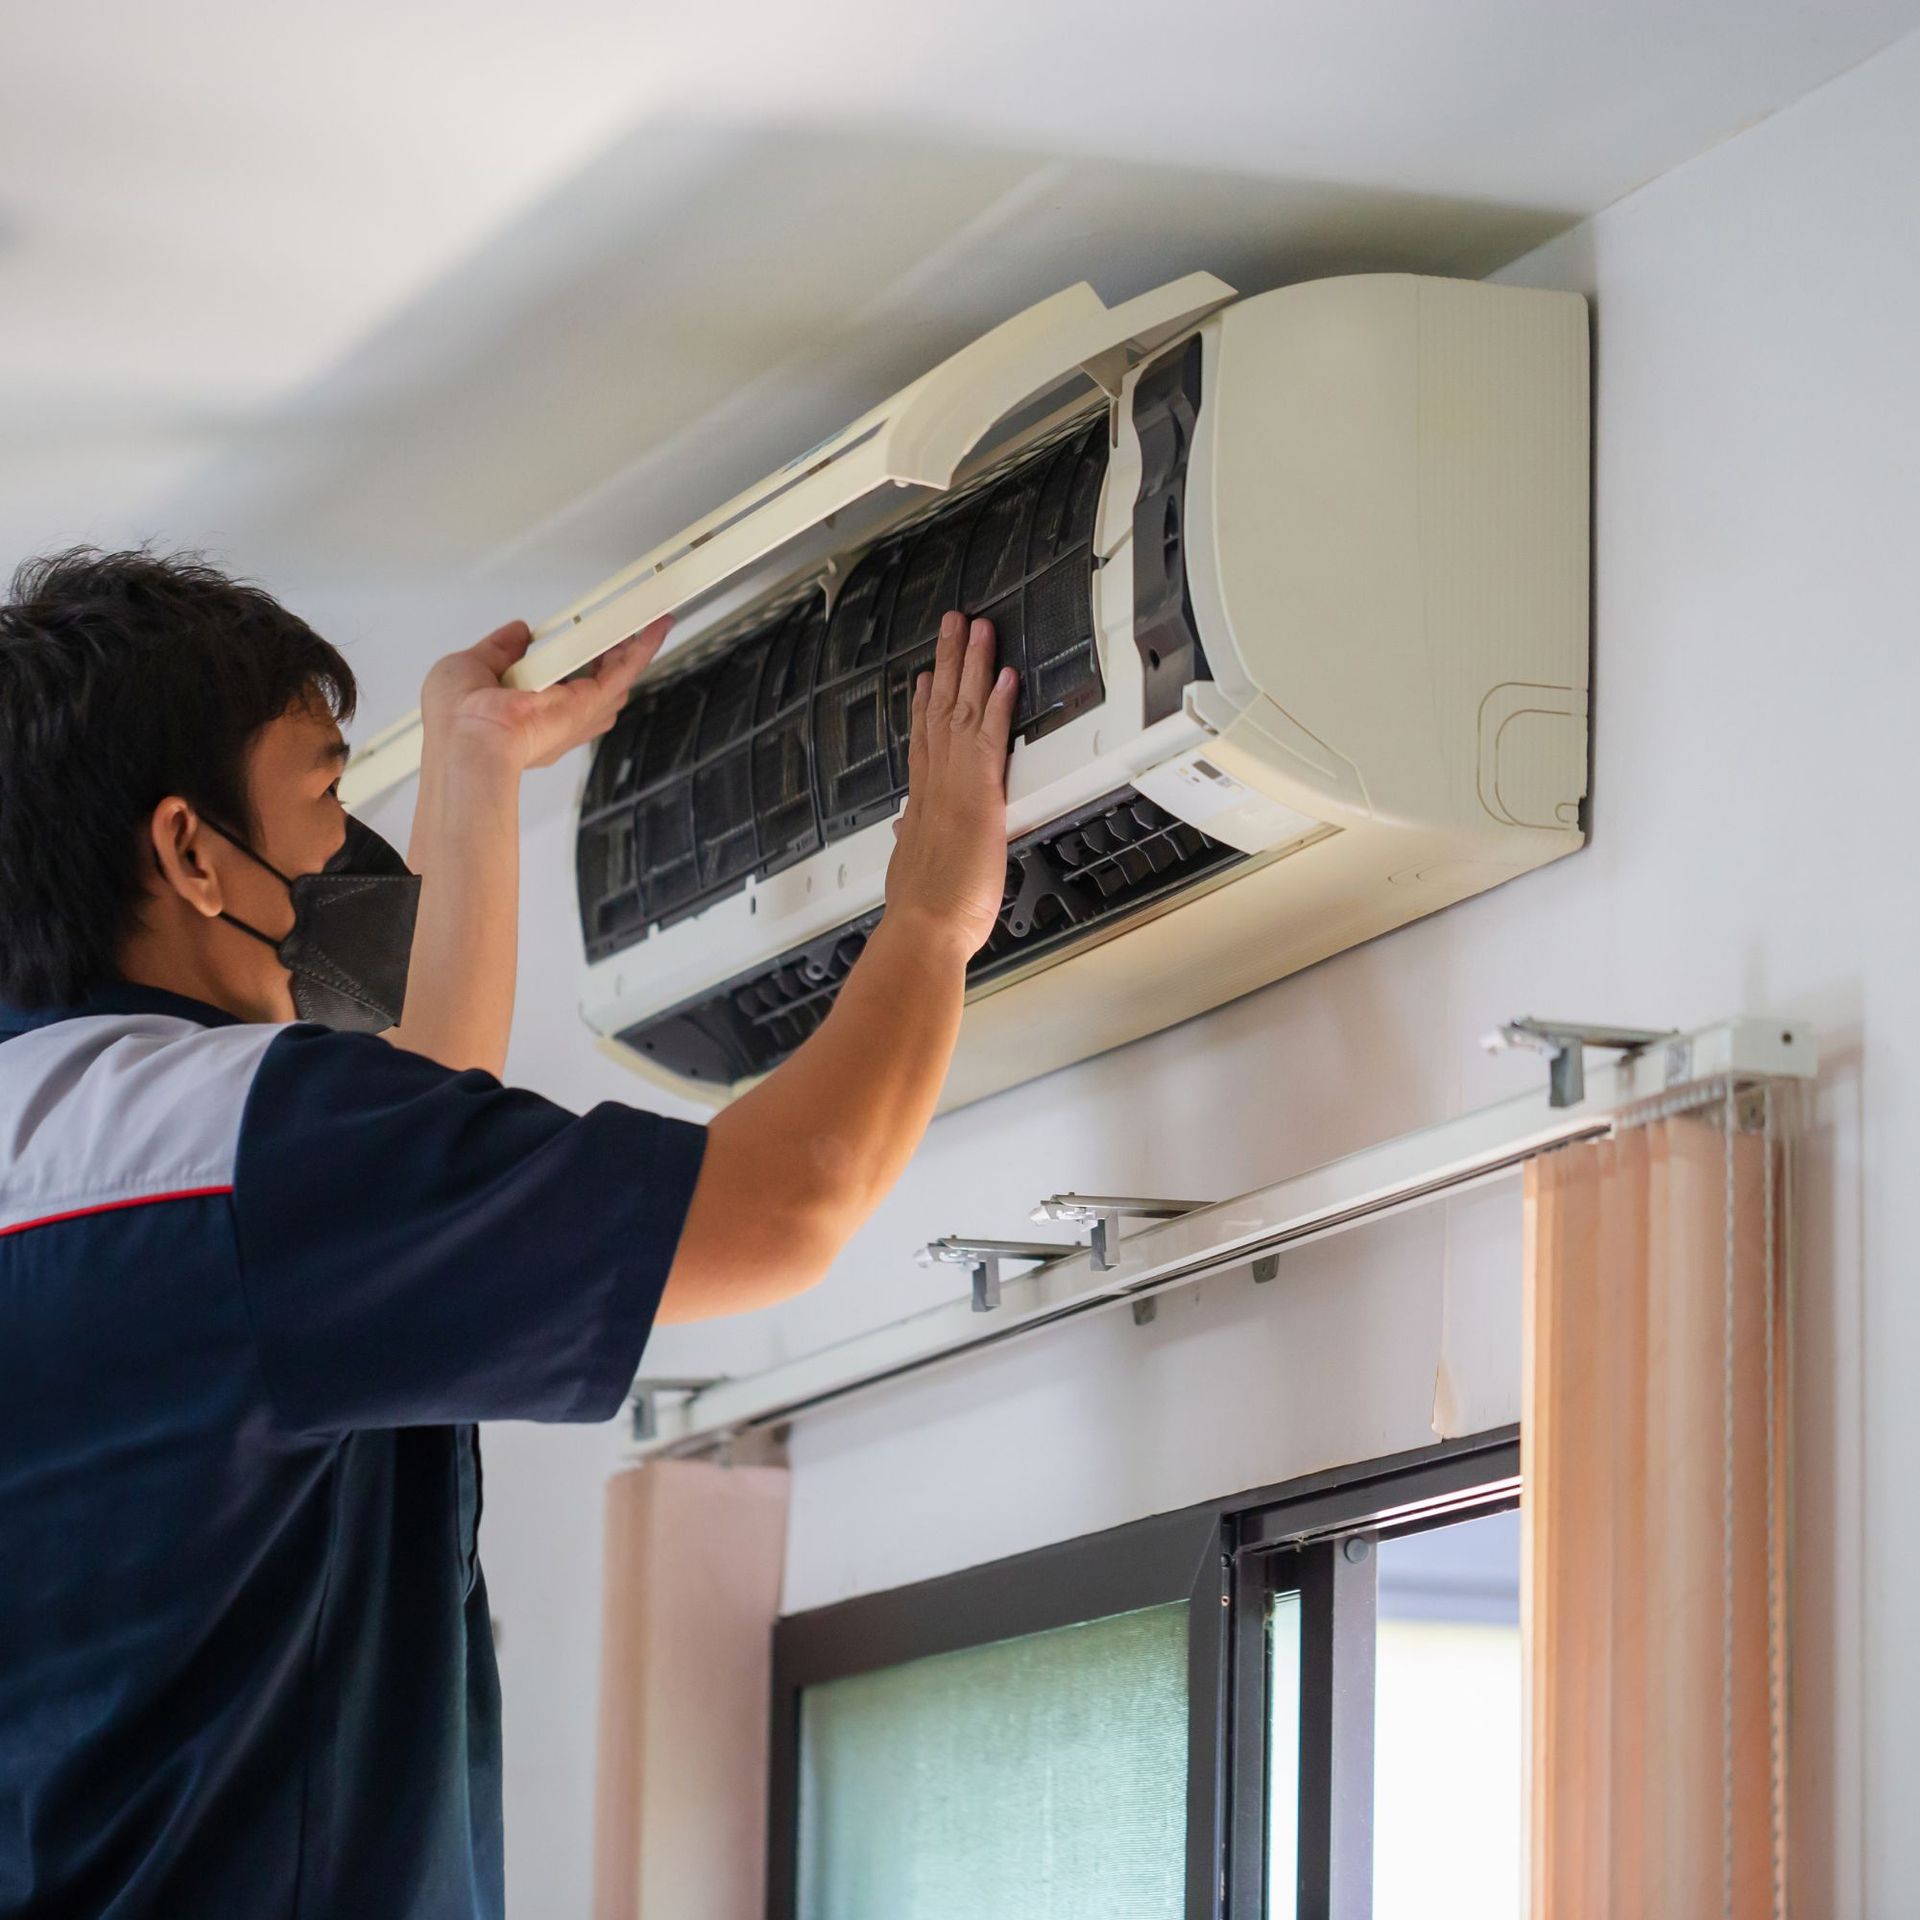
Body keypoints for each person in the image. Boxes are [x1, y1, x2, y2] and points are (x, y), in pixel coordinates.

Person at [0, 548, 1017, 1919]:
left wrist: (474, 765)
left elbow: (394, 1148)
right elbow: (785, 1208)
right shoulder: (243, 1151)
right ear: (189, 851)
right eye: (324, 795)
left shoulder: (93, 1153)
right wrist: (935, 915)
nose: (343, 848)